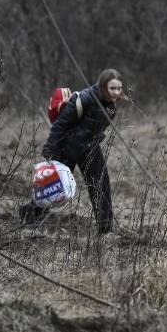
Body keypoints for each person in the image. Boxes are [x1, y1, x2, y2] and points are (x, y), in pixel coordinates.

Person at [21, 69, 126, 233]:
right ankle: (29, 216)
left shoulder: (111, 107)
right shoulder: (84, 99)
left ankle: (105, 230)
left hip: (89, 149)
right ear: (103, 86)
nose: (116, 92)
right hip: (67, 147)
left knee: (101, 186)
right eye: (112, 88)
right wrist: (50, 150)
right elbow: (60, 125)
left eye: (119, 88)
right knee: (53, 186)